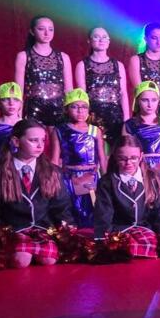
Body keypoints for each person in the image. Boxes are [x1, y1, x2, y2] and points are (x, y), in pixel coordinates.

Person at [0, 120, 74, 267]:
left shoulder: (53, 172)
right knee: (21, 260)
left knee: (49, 260)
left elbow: (61, 207)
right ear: (16, 142)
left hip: (43, 229)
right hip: (13, 230)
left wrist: (66, 231)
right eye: (33, 140)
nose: (40, 145)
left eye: (43, 140)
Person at [92, 136, 160, 257]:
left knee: (152, 245)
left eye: (133, 158)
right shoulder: (107, 182)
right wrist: (102, 243)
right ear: (115, 157)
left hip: (147, 231)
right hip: (119, 233)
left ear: (141, 156)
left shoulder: (153, 179)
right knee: (122, 249)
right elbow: (103, 216)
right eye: (122, 158)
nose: (128, 163)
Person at [48, 89, 105, 228]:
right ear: (66, 109)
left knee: (91, 212)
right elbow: (55, 159)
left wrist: (106, 179)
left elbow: (102, 158)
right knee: (70, 212)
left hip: (91, 178)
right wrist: (53, 181)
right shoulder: (59, 130)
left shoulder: (95, 131)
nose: (80, 111)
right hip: (69, 178)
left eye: (84, 107)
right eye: (75, 107)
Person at [15, 15, 73, 125]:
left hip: (59, 112)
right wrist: (17, 116)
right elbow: (19, 91)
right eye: (41, 29)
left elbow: (69, 90)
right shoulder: (23, 56)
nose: (47, 33)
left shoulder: (63, 57)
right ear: (32, 31)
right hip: (33, 110)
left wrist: (71, 117)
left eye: (51, 29)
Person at [75, 27, 128, 143]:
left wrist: (126, 120)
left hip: (115, 117)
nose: (101, 40)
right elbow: (82, 97)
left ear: (109, 41)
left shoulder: (118, 65)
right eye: (96, 37)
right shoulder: (82, 65)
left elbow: (123, 93)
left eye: (104, 37)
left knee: (116, 150)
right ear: (89, 41)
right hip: (93, 117)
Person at [123, 81, 160, 185]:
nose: (150, 105)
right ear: (138, 101)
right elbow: (127, 155)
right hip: (141, 169)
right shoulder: (130, 125)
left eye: (154, 100)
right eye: (145, 100)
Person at [127, 23, 160, 121]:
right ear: (145, 39)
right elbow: (140, 90)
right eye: (154, 38)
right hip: (145, 112)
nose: (158, 42)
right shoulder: (136, 60)